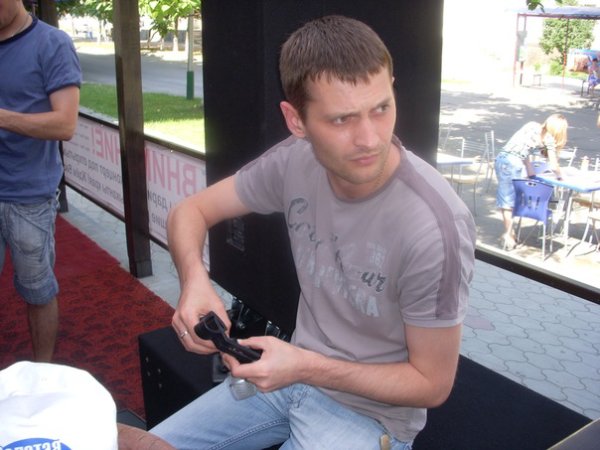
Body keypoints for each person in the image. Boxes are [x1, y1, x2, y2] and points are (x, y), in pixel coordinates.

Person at [151, 15, 476, 449]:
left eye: (381, 108)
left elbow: (432, 385)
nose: (370, 139)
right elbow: (189, 211)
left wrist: (304, 366)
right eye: (342, 120)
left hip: (369, 415)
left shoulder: (434, 228)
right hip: (293, 373)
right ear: (295, 121)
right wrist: (194, 282)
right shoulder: (295, 160)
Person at [0, 0, 81, 362]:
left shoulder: (51, 43)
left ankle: (42, 372)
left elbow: (65, 124)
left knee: (37, 290)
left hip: (29, 194)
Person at [494, 114, 568, 250]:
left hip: (501, 159)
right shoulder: (549, 139)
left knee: (507, 199)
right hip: (512, 163)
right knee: (508, 202)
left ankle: (510, 233)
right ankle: (508, 236)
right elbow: (553, 165)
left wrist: (530, 171)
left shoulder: (531, 125)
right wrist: (561, 176)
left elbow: (523, 150)